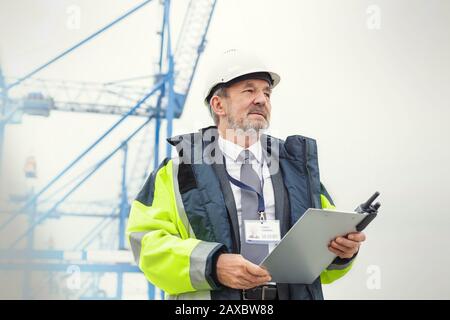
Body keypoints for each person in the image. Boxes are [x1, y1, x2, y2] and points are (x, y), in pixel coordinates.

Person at [126, 49, 366, 300]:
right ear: (218, 104)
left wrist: (343, 253)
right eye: (249, 90)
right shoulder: (176, 173)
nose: (262, 99)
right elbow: (146, 244)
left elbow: (325, 262)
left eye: (266, 92)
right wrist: (213, 265)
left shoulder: (298, 171)